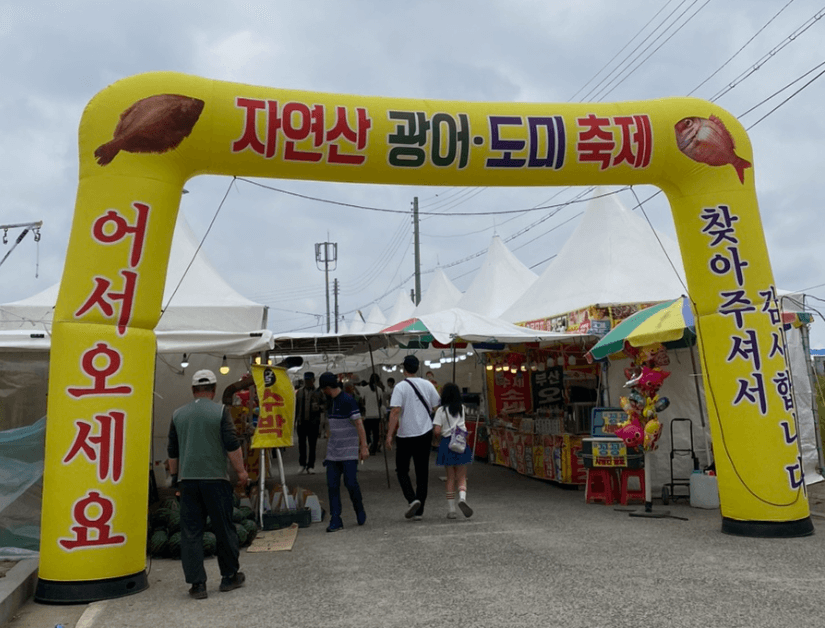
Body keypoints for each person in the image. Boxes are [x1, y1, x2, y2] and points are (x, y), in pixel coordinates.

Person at [167, 369, 249, 600]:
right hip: (216, 480)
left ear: (193, 390)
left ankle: (198, 585)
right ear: (213, 390)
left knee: (191, 533)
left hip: (187, 482)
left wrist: (175, 479)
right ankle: (229, 577)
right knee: (224, 529)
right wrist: (241, 472)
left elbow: (172, 451)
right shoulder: (221, 411)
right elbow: (232, 445)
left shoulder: (178, 414)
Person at [385, 355, 440, 520]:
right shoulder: (428, 385)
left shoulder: (400, 387)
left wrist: (389, 435)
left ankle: (412, 499)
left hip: (405, 434)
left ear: (404, 368)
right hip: (424, 432)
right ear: (417, 368)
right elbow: (437, 407)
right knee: (422, 472)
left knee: (402, 470)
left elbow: (395, 411)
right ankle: (419, 509)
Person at [319, 371, 369, 532]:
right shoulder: (329, 402)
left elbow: (359, 424)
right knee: (332, 485)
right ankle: (336, 519)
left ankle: (359, 508)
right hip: (333, 452)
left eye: (323, 389)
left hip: (349, 451)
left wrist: (364, 446)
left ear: (327, 387)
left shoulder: (348, 400)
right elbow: (329, 427)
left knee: (350, 482)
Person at [432, 382, 474, 519]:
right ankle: (462, 498)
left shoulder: (440, 411)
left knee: (450, 477)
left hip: (447, 443)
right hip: (461, 442)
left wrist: (436, 438)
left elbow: (437, 430)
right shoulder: (462, 408)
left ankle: (451, 510)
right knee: (461, 476)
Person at [294, 371, 325, 474]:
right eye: (306, 380)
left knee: (312, 445)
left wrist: (319, 407)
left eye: (309, 380)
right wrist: (295, 421)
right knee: (301, 444)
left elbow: (325, 405)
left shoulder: (319, 392)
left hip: (313, 423)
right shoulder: (299, 392)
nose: (307, 382)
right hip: (301, 422)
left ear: (313, 380)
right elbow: (296, 407)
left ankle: (311, 465)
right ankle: (302, 464)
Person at [361, 373, 384, 455]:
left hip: (367, 415)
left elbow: (362, 400)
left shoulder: (364, 389)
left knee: (367, 432)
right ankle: (374, 448)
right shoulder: (379, 390)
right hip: (376, 414)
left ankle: (368, 445)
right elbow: (380, 403)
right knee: (376, 433)